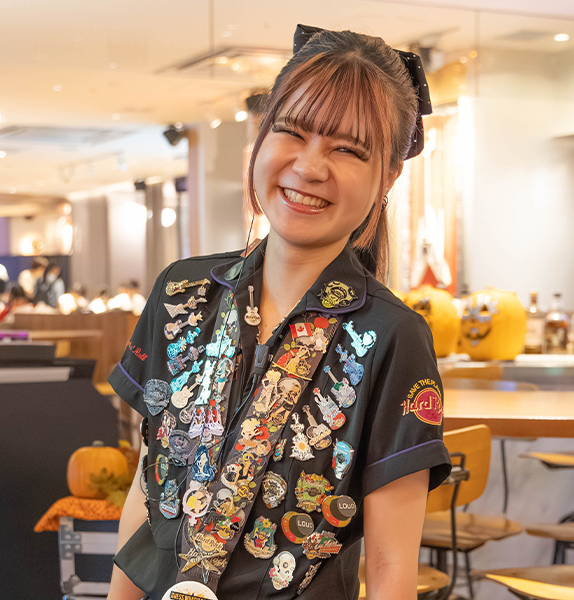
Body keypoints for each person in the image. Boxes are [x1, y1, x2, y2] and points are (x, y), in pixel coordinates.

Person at [107, 25, 451, 600]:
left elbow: (392, 569)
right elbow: (147, 493)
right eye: (292, 132)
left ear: (389, 176)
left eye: (348, 149)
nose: (310, 167)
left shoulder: (391, 336)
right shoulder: (182, 293)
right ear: (261, 137)